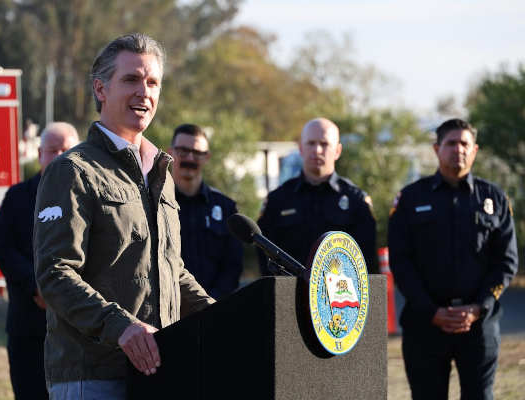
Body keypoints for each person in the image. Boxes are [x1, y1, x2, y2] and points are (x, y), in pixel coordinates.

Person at [33, 33, 214, 398]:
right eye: (131, 79)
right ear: (100, 89)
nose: (143, 92)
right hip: (93, 377)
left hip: (159, 374)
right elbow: (55, 273)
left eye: (153, 82)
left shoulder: (162, 174)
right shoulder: (72, 170)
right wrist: (120, 327)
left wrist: (221, 315)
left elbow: (170, 270)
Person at [388, 118, 518, 400]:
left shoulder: (494, 198)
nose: (458, 149)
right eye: (451, 143)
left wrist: (478, 307)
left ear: (475, 150)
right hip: (425, 325)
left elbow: (506, 262)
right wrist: (431, 311)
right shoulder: (410, 198)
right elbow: (401, 262)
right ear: (437, 149)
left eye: (464, 143)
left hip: (479, 325)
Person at [0, 122, 79, 400]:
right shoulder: (17, 197)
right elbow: (4, 248)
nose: (60, 156)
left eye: (67, 150)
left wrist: (63, 291)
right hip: (28, 324)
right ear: (40, 154)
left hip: (77, 328)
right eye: (53, 150)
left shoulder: (90, 198)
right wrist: (37, 285)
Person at [257, 118, 377, 274]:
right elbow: (264, 258)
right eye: (311, 143)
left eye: (324, 144)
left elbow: (366, 263)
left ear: (338, 151)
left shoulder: (356, 201)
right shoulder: (278, 200)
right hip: (288, 288)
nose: (317, 150)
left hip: (340, 288)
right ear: (301, 148)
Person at [168, 124, 243, 299]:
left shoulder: (226, 208)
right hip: (168, 308)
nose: (190, 158)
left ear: (206, 157)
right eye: (183, 151)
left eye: (197, 153)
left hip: (214, 307)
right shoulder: (154, 203)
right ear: (170, 153)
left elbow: (233, 266)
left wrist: (209, 303)